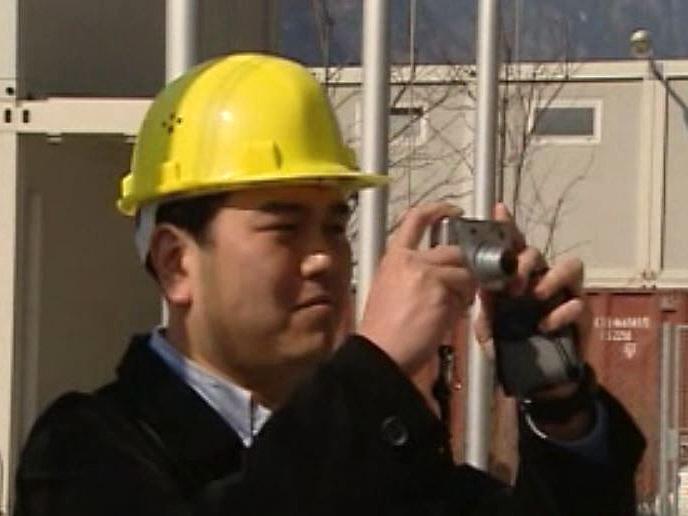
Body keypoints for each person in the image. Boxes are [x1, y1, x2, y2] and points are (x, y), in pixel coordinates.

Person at [14, 53, 644, 516]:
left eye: (335, 226)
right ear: (178, 264)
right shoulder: (83, 449)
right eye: (284, 228)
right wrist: (374, 372)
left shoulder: (383, 446)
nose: (324, 259)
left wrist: (560, 409)